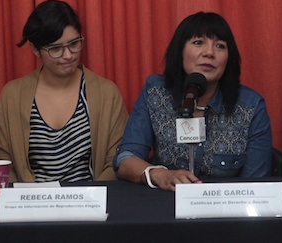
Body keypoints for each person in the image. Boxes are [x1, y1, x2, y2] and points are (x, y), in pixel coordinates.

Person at [114, 11, 272, 191]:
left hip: (226, 210)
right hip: (166, 206)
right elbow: (125, 159)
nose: (209, 53)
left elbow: (256, 185)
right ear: (179, 51)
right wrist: (160, 175)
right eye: (198, 43)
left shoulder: (250, 106)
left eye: (220, 46)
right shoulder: (156, 92)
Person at [0, 0, 128, 182]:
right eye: (56, 49)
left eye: (73, 44)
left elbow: (115, 162)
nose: (68, 55)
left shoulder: (106, 94)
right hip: (31, 204)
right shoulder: (12, 96)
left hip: (90, 202)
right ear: (35, 49)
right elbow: (4, 164)